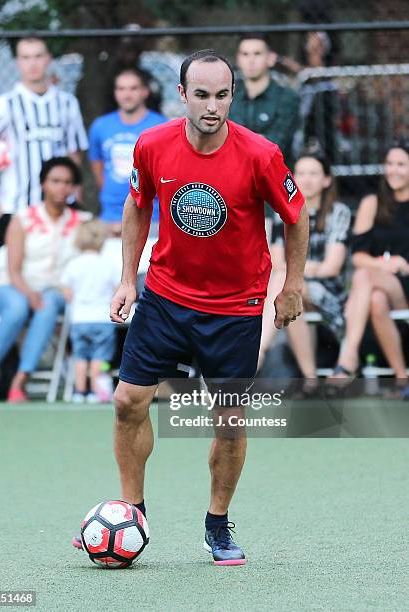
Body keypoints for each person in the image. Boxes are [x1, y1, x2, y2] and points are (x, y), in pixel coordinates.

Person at [72, 49, 309, 564]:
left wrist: (292, 284)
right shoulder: (153, 144)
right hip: (165, 297)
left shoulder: (260, 154)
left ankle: (217, 526)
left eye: (222, 95)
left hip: (235, 306)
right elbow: (137, 206)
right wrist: (127, 280)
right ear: (182, 95)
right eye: (201, 95)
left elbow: (296, 215)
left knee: (228, 420)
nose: (212, 106)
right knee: (127, 401)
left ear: (232, 96)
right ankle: (131, 513)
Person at [0, 157, 91, 404]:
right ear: (43, 184)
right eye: (56, 181)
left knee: (47, 305)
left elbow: (107, 235)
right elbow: (13, 269)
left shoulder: (81, 222)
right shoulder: (22, 218)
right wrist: (28, 294)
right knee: (17, 308)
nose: (62, 188)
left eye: (68, 182)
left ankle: (20, 382)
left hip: (54, 290)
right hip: (12, 286)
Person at [0, 37, 88, 246]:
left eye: (38, 56)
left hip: (60, 210)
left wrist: (76, 198)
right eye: (26, 57)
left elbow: (73, 155)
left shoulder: (67, 103)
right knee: (13, 274)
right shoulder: (5, 104)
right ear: (18, 63)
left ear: (48, 59)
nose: (32, 63)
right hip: (16, 210)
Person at [258, 153, 351, 387]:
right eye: (301, 174)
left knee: (286, 286)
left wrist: (297, 270)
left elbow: (332, 267)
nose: (307, 180)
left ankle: (257, 352)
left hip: (330, 295)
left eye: (314, 173)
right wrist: (310, 268)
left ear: (327, 179)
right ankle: (311, 381)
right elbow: (277, 262)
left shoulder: (339, 212)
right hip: (296, 288)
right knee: (289, 298)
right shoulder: (285, 211)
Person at [332, 143, 409, 396]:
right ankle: (401, 379)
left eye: (401, 164)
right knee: (375, 298)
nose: (393, 170)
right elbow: (359, 258)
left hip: (405, 286)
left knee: (366, 279)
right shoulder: (372, 203)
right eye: (390, 164)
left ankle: (349, 356)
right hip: (379, 285)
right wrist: (387, 264)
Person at [88, 68, 166, 237]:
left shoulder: (161, 126)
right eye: (121, 89)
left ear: (145, 91)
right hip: (109, 217)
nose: (126, 94)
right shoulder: (100, 126)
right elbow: (98, 165)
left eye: (133, 88)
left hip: (151, 218)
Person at [61, 220, 121, 403]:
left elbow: (66, 291)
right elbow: (116, 289)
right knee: (99, 356)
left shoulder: (73, 264)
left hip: (79, 319)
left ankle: (80, 391)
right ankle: (96, 391)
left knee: (80, 356)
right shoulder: (108, 264)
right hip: (101, 318)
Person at [229, 34, 301, 168]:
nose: (251, 60)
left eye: (257, 54)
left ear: (271, 58)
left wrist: (238, 142)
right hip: (234, 173)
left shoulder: (288, 98)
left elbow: (276, 145)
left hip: (274, 176)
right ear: (238, 59)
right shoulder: (228, 97)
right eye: (245, 54)